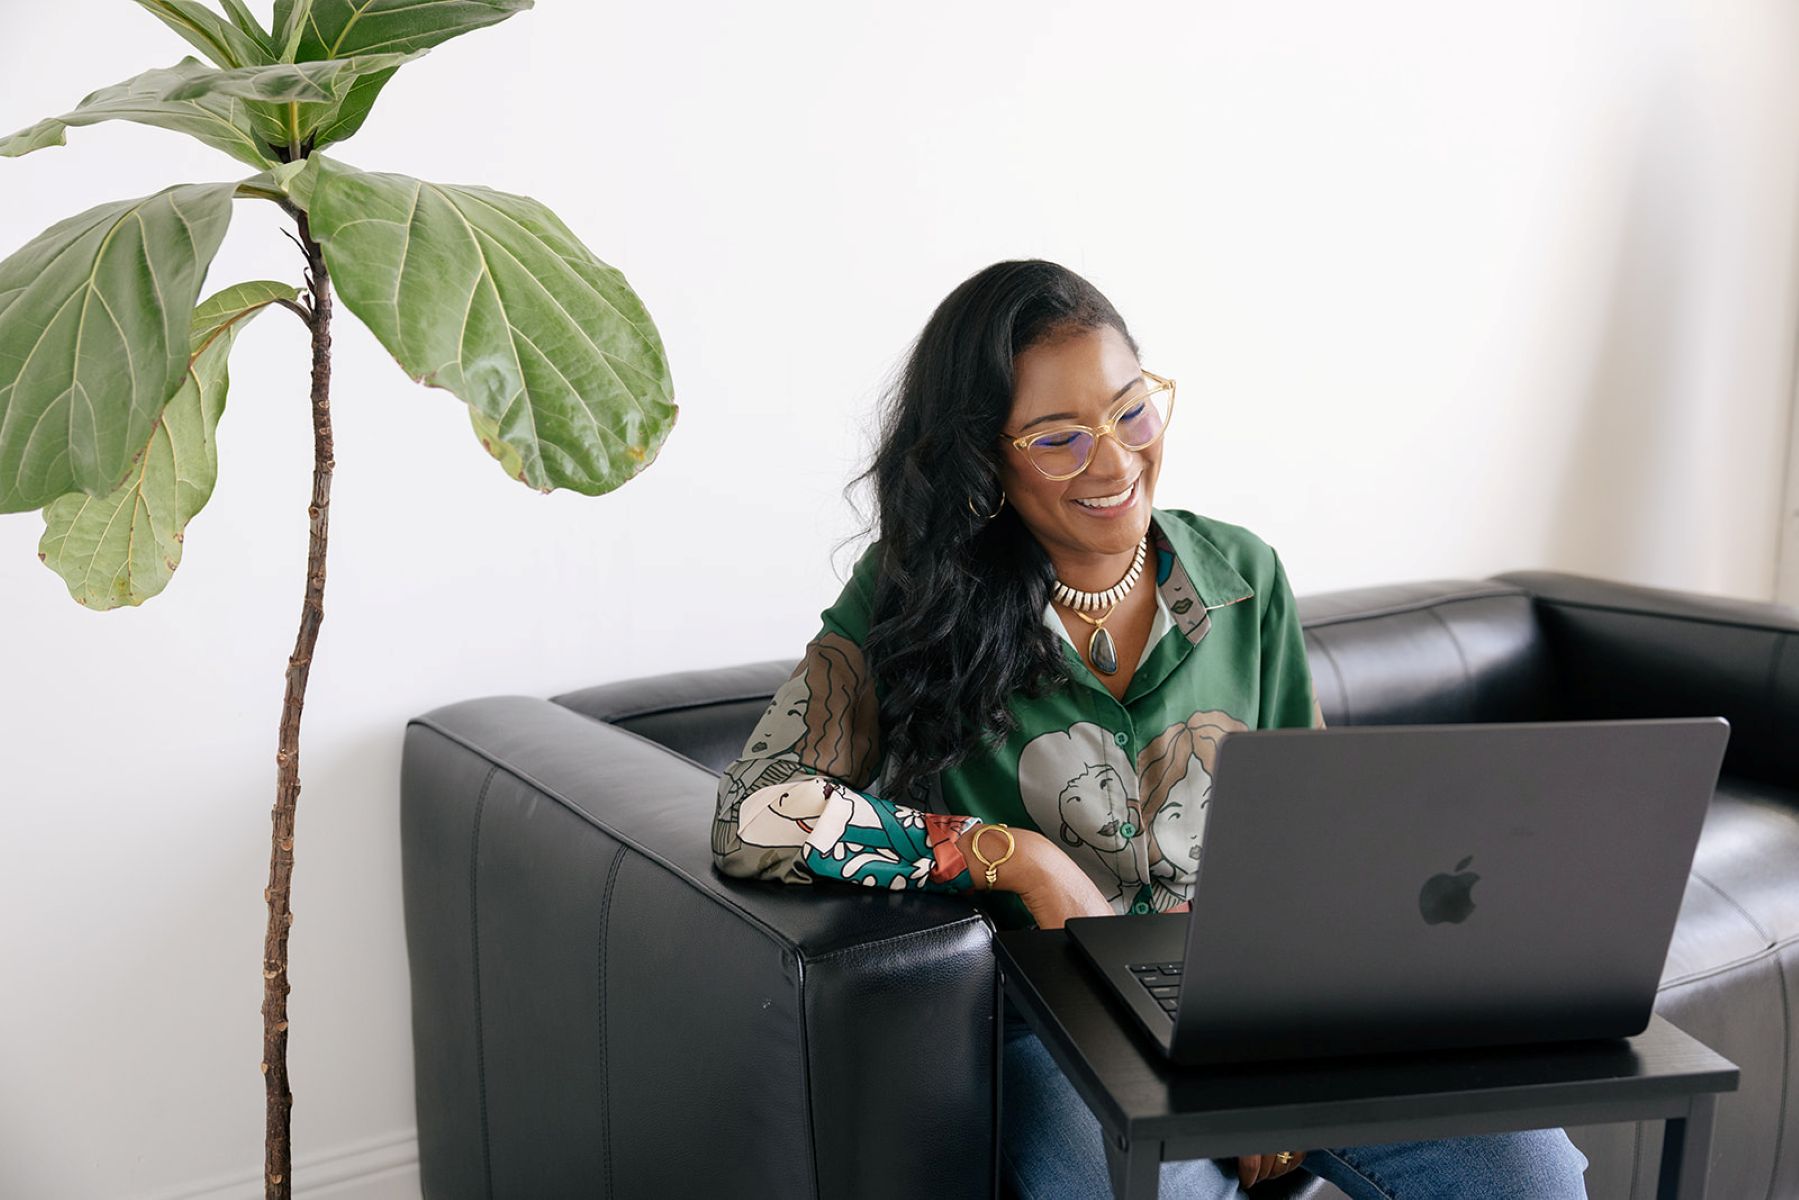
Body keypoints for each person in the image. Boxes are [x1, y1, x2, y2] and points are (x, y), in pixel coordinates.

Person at [711, 259, 1590, 1198]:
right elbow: (753, 811)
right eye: (1057, 438)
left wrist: (1275, 1054)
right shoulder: (909, 600)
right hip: (1052, 1024)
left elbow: (1315, 833)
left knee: (1525, 1170)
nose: (1116, 462)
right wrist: (1010, 856)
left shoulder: (1243, 577)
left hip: (1247, 1001)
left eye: (1131, 411)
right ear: (984, 455)